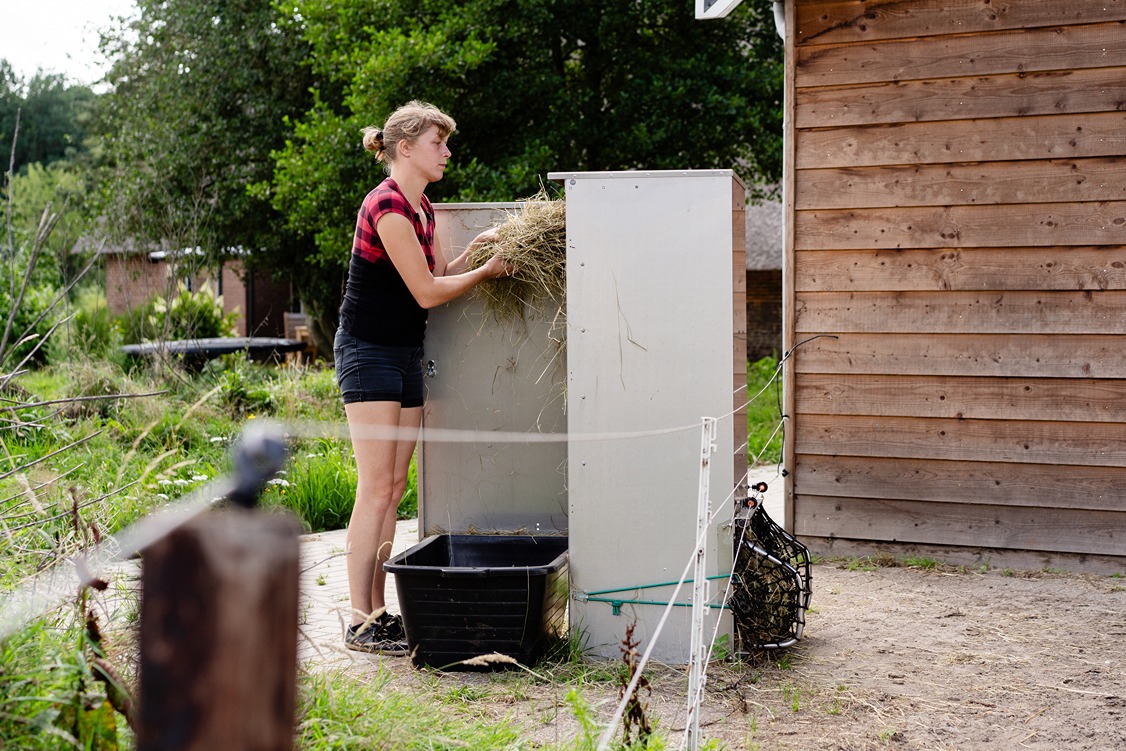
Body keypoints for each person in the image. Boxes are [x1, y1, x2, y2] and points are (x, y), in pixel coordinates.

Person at [334, 101, 510, 654]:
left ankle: (380, 612)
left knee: (392, 488)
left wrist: (473, 253)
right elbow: (428, 294)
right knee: (374, 488)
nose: (447, 152)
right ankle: (359, 619)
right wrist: (487, 273)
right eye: (439, 142)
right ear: (405, 148)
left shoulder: (422, 208)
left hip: (404, 353)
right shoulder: (386, 205)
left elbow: (434, 276)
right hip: (367, 353)